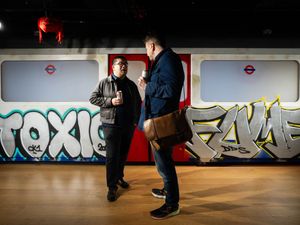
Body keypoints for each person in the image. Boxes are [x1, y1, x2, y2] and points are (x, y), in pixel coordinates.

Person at [138, 32, 184, 219]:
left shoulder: (168, 60)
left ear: (151, 46)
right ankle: (167, 191)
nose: (147, 53)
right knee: (163, 161)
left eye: (146, 48)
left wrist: (148, 87)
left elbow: (171, 90)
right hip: (157, 121)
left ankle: (172, 204)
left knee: (165, 164)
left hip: (161, 122)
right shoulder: (164, 60)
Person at [90, 56, 141, 202]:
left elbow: (138, 103)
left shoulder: (131, 85)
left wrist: (135, 121)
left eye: (125, 64)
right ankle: (111, 187)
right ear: (113, 67)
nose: (123, 66)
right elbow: (93, 98)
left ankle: (119, 177)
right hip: (110, 125)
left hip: (128, 125)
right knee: (112, 156)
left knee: (123, 154)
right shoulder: (104, 83)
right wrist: (110, 101)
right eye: (120, 64)